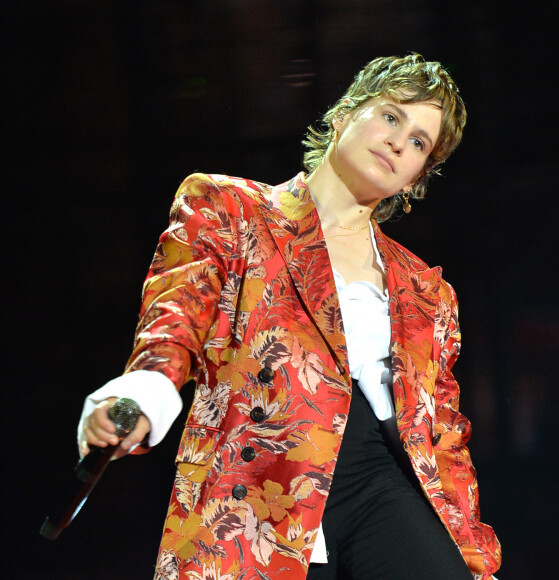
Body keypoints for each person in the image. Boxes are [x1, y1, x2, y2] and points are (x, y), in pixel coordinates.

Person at [79, 53, 501, 579]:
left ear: (418, 176)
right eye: (391, 116)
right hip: (263, 480)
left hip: (383, 480)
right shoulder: (231, 209)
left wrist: (474, 555)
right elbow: (177, 316)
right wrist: (145, 390)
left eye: (419, 141)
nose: (399, 140)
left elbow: (443, 433)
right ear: (345, 114)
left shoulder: (426, 289)